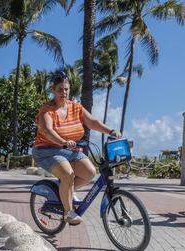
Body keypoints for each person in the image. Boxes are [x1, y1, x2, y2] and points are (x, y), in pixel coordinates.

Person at [33, 71, 121, 226]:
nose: (64, 92)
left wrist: (111, 131)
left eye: (66, 89)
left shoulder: (75, 107)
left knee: (90, 172)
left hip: (70, 149)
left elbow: (92, 122)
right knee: (68, 173)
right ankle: (68, 212)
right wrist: (63, 142)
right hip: (47, 151)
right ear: (53, 90)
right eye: (60, 89)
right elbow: (48, 130)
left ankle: (65, 192)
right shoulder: (46, 110)